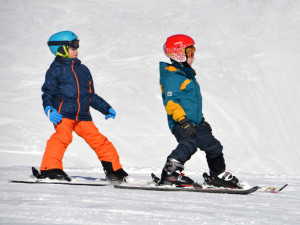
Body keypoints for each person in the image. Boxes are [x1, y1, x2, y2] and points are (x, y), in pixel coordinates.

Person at [39, 30, 128, 182]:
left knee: (100, 141)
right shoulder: (55, 71)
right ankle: (50, 169)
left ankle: (114, 170)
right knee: (62, 138)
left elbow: (90, 95)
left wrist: (105, 108)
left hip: (83, 115)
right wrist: (49, 109)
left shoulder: (83, 70)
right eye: (73, 47)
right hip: (63, 114)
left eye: (77, 46)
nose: (76, 50)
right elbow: (48, 92)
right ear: (61, 49)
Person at [159, 34, 239, 188]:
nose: (193, 57)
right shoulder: (172, 77)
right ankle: (170, 174)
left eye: (193, 52)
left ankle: (217, 175)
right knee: (189, 143)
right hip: (180, 123)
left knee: (214, 146)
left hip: (195, 123)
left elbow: (192, 103)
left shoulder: (187, 74)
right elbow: (171, 103)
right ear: (178, 53)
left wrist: (201, 120)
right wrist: (183, 121)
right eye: (190, 53)